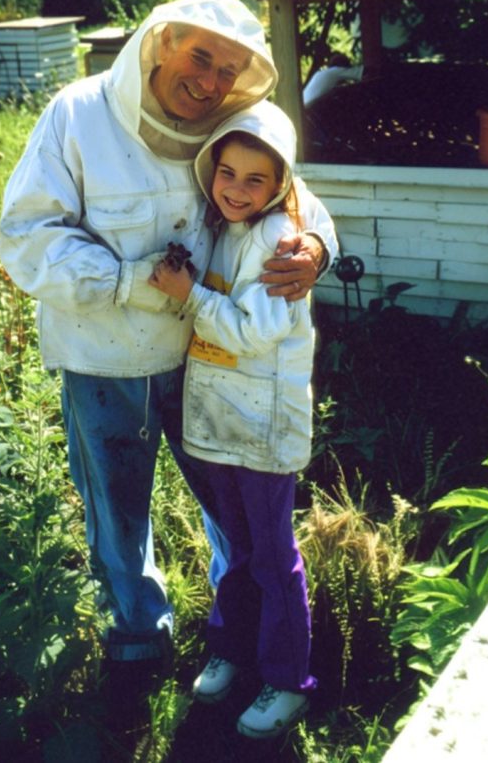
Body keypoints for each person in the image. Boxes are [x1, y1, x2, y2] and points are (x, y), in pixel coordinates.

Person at [0, 0, 338, 681]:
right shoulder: (78, 114)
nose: (211, 81)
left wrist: (318, 251)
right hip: (103, 359)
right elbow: (27, 236)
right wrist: (129, 281)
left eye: (228, 68)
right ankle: (136, 640)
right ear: (161, 42)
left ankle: (236, 627)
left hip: (205, 361)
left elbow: (295, 198)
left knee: (229, 509)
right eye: (201, 56)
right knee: (119, 511)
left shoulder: (232, 122)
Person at [149, 100, 331, 739]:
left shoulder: (283, 244)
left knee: (272, 554)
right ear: (211, 169)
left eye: (255, 179)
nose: (237, 188)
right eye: (227, 172)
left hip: (264, 427)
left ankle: (288, 680)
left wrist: (189, 295)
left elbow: (254, 333)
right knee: (236, 546)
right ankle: (234, 649)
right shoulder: (219, 226)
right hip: (219, 420)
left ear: (280, 183)